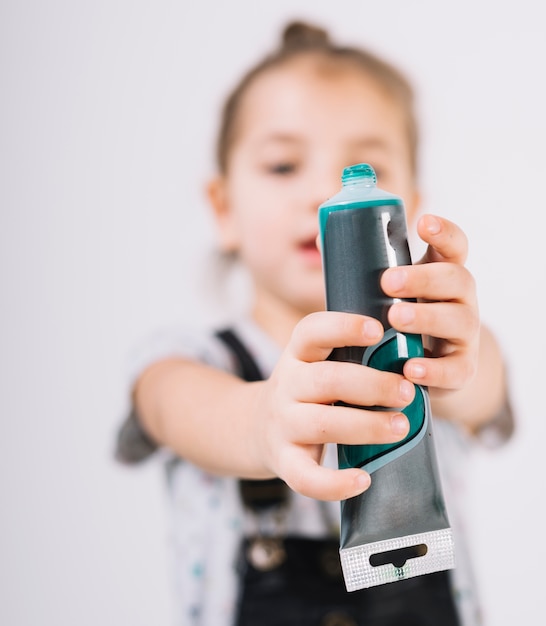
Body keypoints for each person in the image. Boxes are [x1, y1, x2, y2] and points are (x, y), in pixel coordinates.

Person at [116, 20, 513, 626]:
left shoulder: (427, 339)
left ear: (405, 206)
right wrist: (261, 421)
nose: (322, 192)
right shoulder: (194, 360)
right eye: (282, 166)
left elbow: (486, 394)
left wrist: (456, 353)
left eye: (366, 165)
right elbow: (171, 405)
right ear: (223, 209)